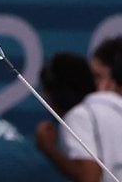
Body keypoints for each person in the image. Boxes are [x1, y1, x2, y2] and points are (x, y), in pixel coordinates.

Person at [36, 37, 122, 182]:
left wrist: (49, 149)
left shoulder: (81, 115)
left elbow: (90, 177)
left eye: (97, 76)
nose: (94, 85)